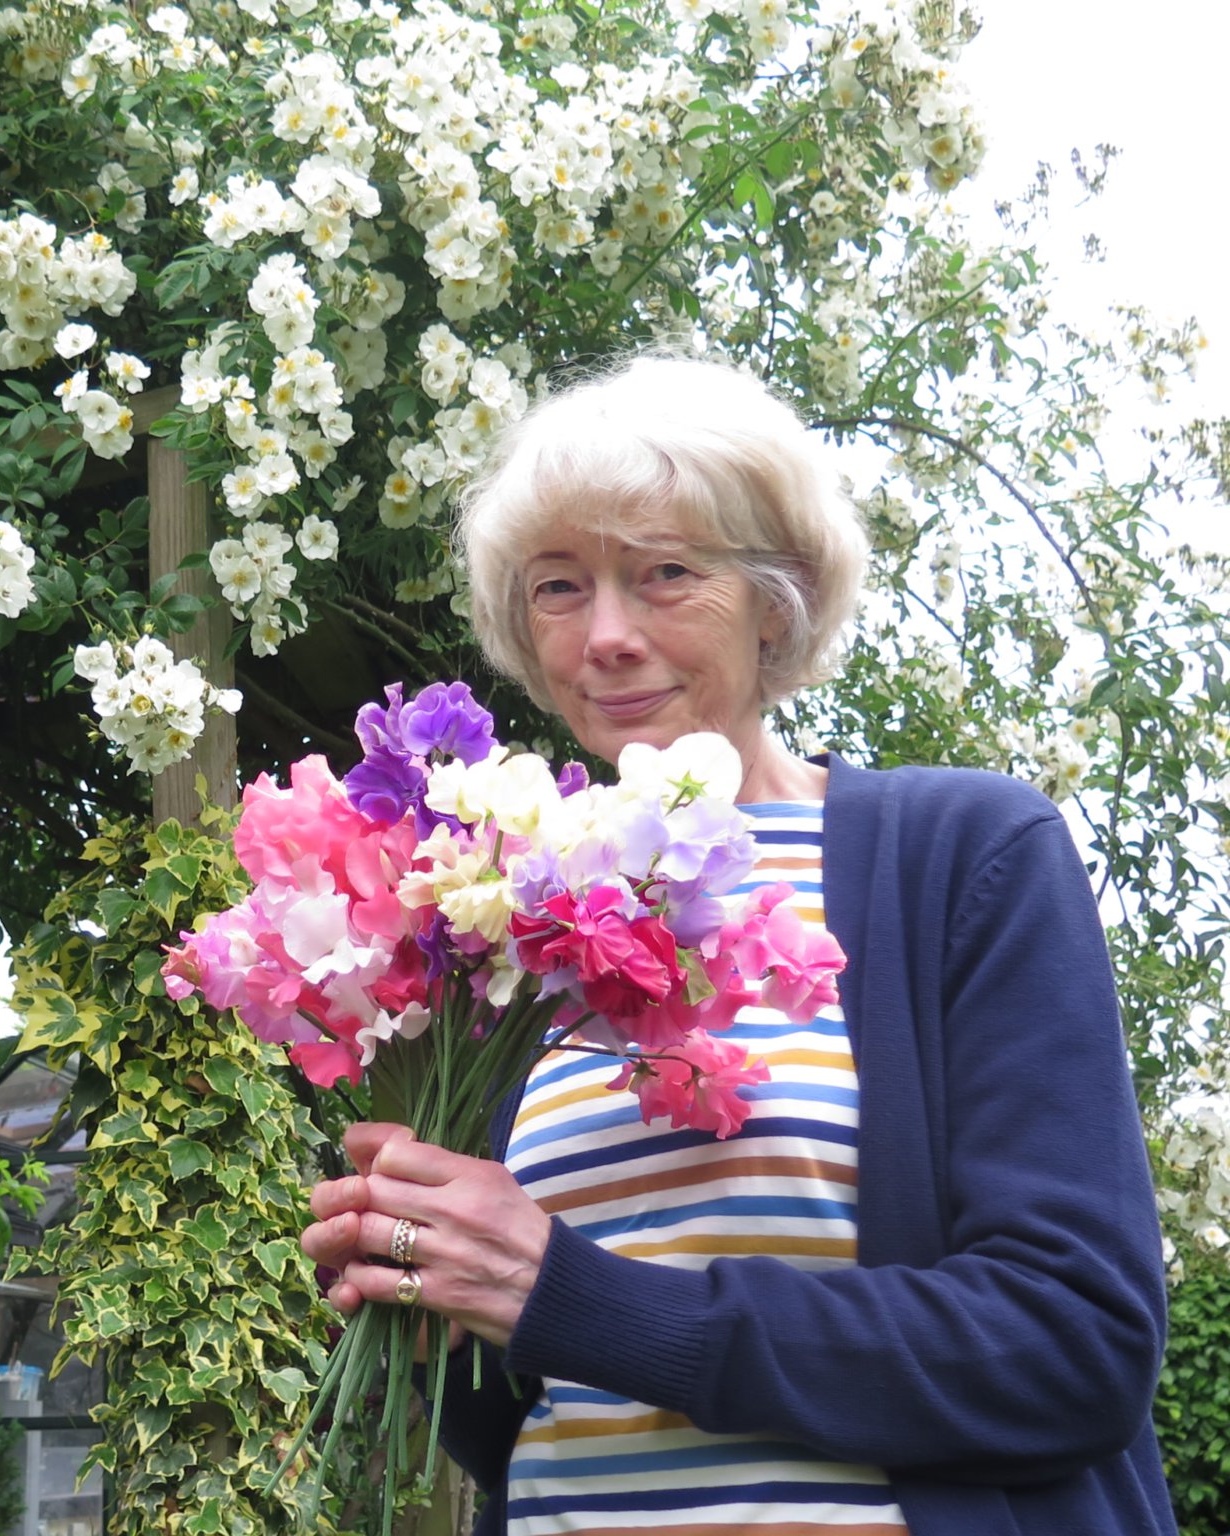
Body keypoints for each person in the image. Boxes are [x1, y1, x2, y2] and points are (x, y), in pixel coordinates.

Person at [299, 354, 1177, 1535]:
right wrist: (416, 1284)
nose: (604, 634)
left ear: (776, 600)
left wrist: (576, 1297)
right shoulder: (505, 926)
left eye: (663, 574)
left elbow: (1073, 1344)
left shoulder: (960, 858)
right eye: (557, 588)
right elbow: (525, 1415)